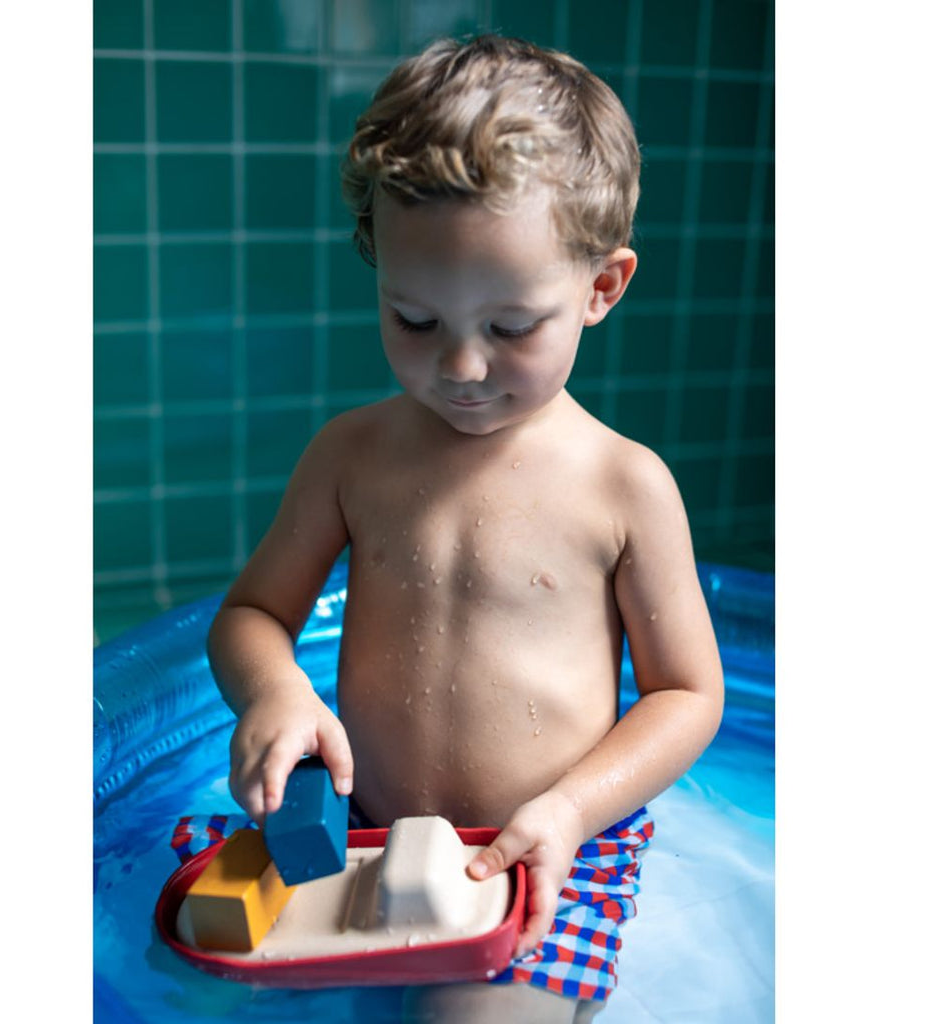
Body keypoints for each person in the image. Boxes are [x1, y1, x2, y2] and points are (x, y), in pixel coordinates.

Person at [207, 33, 724, 1023]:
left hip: (530, 849)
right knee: (200, 971)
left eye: (511, 326)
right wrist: (273, 695)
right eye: (412, 316)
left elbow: (689, 693)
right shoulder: (351, 456)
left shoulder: (624, 487)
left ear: (601, 288)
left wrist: (569, 809)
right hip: (359, 830)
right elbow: (251, 613)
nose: (461, 367)